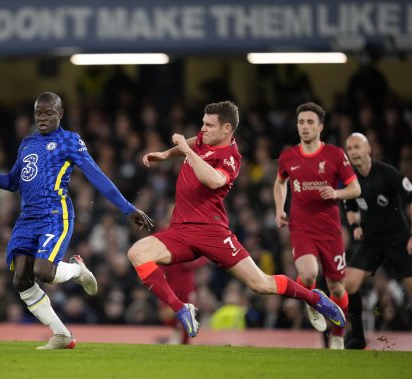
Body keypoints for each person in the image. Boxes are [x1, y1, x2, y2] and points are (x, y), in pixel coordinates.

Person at [127, 101, 346, 344]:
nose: (203, 129)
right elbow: (194, 141)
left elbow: (213, 180)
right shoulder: (204, 139)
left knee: (260, 284)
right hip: (180, 230)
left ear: (227, 129)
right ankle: (181, 309)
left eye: (209, 125)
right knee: (137, 252)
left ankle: (315, 299)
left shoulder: (231, 157)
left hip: (212, 232)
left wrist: (187, 153)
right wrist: (167, 154)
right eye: (203, 123)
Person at [0, 92, 152, 350]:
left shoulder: (69, 141)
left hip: (55, 215)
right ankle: (62, 335)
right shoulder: (27, 144)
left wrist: (128, 208)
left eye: (48, 113)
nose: (42, 118)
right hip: (28, 218)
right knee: (21, 278)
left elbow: (97, 176)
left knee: (44, 271)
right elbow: (12, 182)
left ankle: (78, 270)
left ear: (60, 114)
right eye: (38, 114)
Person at [273, 102, 361, 349]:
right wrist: (280, 209)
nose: (305, 127)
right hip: (301, 227)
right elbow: (279, 183)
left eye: (310, 122)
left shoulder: (334, 155)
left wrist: (336, 193)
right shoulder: (288, 156)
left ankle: (338, 333)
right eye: (301, 122)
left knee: (337, 287)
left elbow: (355, 188)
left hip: (330, 230)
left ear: (321, 126)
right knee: (309, 274)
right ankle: (311, 302)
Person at [343, 132, 412, 349]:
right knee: (349, 284)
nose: (353, 152)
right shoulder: (351, 181)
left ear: (368, 149)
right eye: (350, 148)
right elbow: (351, 208)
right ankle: (358, 338)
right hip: (372, 241)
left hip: (399, 240)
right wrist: (355, 226)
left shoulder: (388, 173)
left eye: (357, 147)